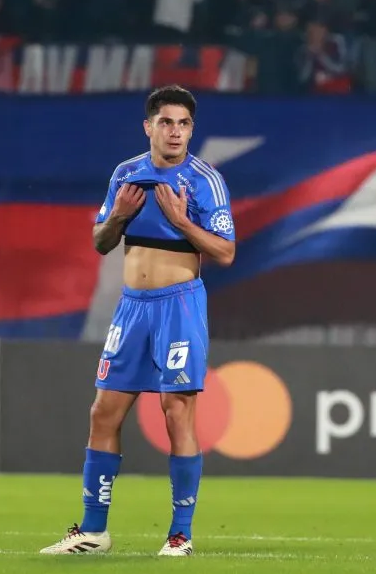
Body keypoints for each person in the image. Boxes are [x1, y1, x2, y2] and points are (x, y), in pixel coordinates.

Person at [40, 85, 236, 557]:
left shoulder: (204, 181)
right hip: (132, 308)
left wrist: (182, 221)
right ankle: (92, 531)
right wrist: (121, 217)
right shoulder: (127, 174)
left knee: (176, 413)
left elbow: (226, 252)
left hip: (179, 305)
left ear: (192, 129)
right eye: (166, 122)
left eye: (184, 123)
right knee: (103, 413)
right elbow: (100, 242)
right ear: (148, 126)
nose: (175, 131)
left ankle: (180, 536)